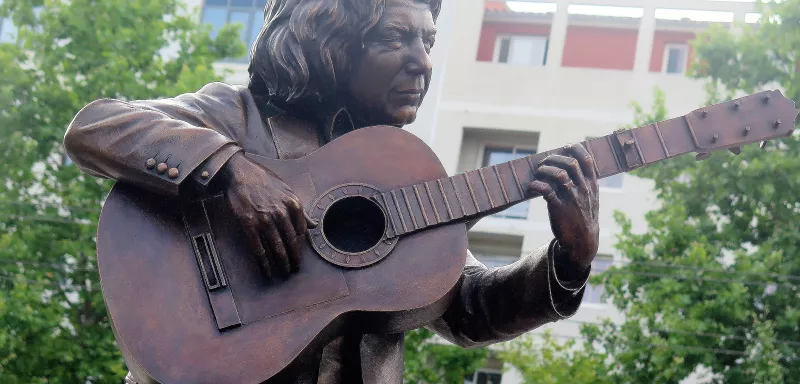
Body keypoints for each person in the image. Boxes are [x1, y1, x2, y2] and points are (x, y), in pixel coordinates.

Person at [63, 0, 600, 382]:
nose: (422, 61)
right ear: (331, 37)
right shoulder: (235, 114)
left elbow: (469, 307)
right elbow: (96, 128)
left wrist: (568, 263)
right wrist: (231, 170)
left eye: (428, 40)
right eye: (396, 37)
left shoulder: (395, 172)